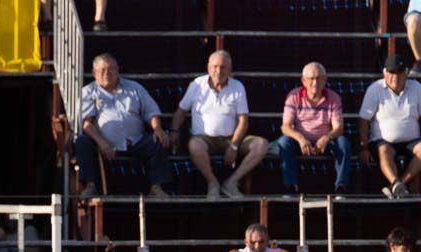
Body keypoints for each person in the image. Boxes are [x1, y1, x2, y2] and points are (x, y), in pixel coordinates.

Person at [170, 50, 267, 199]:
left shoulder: (238, 86)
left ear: (230, 69)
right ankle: (213, 183)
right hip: (204, 139)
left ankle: (231, 183)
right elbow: (181, 112)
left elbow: (243, 120)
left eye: (223, 67)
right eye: (215, 66)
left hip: (231, 138)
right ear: (209, 68)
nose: (218, 71)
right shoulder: (196, 84)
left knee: (261, 144)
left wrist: (234, 146)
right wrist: (174, 131)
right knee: (194, 145)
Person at [75, 54, 170, 200]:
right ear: (94, 73)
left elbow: (151, 112)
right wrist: (102, 142)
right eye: (102, 70)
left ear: (118, 71)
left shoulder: (134, 88)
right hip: (103, 143)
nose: (107, 73)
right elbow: (86, 123)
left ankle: (156, 187)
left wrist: (157, 128)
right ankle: (90, 185)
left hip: (135, 140)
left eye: (111, 69)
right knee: (82, 142)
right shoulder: (88, 92)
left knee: (157, 141)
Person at [358, 54, 421, 200]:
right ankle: (396, 183)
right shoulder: (374, 89)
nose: (396, 77)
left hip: (412, 141)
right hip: (382, 141)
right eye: (392, 73)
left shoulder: (417, 88)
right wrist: (363, 147)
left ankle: (398, 185)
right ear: (385, 73)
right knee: (384, 150)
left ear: (406, 73)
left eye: (399, 73)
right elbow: (364, 120)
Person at [278, 62, 350, 195]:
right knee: (284, 142)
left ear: (325, 80)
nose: (315, 83)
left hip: (325, 142)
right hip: (301, 142)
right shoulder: (293, 96)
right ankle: (290, 187)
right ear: (303, 81)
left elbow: (338, 128)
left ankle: (340, 188)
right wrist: (300, 138)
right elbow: (286, 127)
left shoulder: (334, 98)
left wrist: (327, 137)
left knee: (343, 143)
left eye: (319, 78)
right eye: (311, 79)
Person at [225, 223, 291, 252]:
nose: (257, 246)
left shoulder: (272, 251)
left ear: (267, 240)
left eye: (261, 242)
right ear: (246, 242)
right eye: (252, 242)